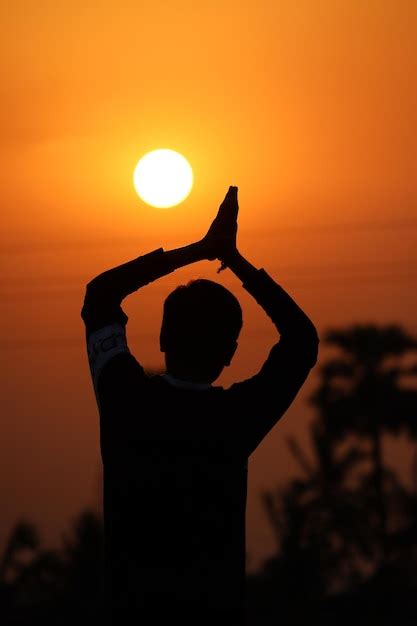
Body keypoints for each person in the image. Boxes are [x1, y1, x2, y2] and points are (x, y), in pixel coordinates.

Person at [81, 186, 319, 624]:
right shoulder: (236, 419)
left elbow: (99, 296)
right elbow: (302, 340)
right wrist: (235, 260)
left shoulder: (124, 398)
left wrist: (199, 250)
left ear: (163, 339)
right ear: (229, 354)